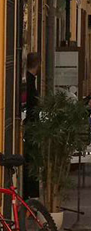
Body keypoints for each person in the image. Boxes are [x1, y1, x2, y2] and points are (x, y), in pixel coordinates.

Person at [22, 52, 40, 198]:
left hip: (30, 126)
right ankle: (30, 193)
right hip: (30, 127)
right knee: (31, 160)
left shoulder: (28, 80)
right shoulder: (29, 81)